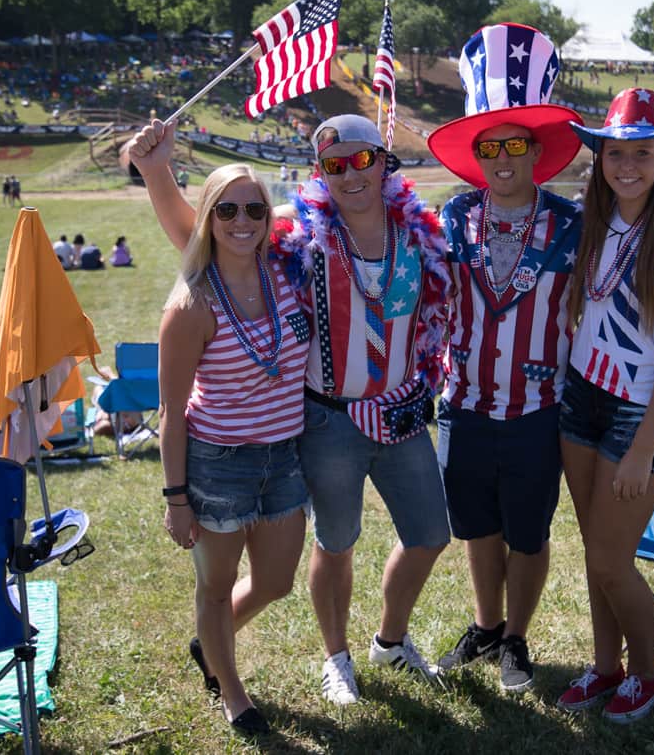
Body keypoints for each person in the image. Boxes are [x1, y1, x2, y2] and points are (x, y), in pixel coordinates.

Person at [131, 112, 452, 706]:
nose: (351, 174)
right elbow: (205, 233)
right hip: (327, 418)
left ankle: (390, 638)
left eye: (362, 160)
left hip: (404, 412)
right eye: (335, 164)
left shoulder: (421, 231)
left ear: (385, 162)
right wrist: (157, 172)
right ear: (319, 172)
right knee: (336, 542)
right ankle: (336, 657)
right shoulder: (296, 230)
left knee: (432, 533)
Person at [425, 24, 585, 693]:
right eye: (490, 145)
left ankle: (518, 635)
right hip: (462, 405)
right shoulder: (451, 216)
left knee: (528, 532)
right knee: (478, 527)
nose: (503, 157)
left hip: (535, 412)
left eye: (515, 142)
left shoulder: (574, 224)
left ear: (536, 147)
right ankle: (487, 625)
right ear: (476, 152)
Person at [559, 88, 654, 722]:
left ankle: (647, 674)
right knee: (596, 548)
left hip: (640, 412)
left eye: (642, 153)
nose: (627, 165)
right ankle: (605, 668)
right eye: (616, 152)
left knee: (610, 558)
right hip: (581, 397)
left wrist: (643, 450)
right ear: (600, 157)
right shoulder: (597, 220)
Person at [157, 163, 311, 735]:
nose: (242, 221)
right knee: (216, 588)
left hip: (284, 458)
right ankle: (232, 693)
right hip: (218, 465)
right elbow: (172, 413)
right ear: (208, 218)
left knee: (276, 582)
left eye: (254, 209)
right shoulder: (191, 305)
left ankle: (209, 647)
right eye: (227, 210)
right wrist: (177, 499)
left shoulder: (288, 275)